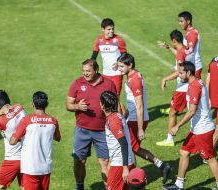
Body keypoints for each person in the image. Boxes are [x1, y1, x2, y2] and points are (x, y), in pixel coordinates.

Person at [163, 61, 218, 190]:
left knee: (210, 159)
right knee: (184, 152)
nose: (179, 76)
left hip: (202, 130)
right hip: (196, 129)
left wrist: (177, 126)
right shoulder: (196, 82)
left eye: (181, 73)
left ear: (188, 72)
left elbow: (192, 111)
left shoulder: (194, 87)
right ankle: (178, 185)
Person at [117, 53, 171, 184]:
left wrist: (140, 128)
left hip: (137, 119)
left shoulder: (134, 79)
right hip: (133, 117)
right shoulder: (132, 75)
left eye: (121, 66)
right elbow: (134, 103)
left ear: (130, 65)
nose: (119, 69)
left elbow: (139, 105)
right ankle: (162, 166)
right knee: (133, 148)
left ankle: (133, 178)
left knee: (129, 148)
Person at [66, 59, 116, 190]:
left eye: (88, 71)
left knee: (105, 161)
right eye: (83, 71)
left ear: (96, 70)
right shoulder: (77, 83)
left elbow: (115, 104)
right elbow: (68, 105)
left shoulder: (109, 84)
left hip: (103, 130)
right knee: (79, 160)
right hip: (82, 130)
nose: (85, 74)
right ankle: (79, 187)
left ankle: (109, 187)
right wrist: (77, 106)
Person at [10, 91, 61, 190]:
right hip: (45, 169)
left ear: (32, 104)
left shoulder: (26, 120)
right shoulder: (53, 121)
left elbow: (12, 141)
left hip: (30, 169)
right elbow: (58, 138)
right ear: (47, 104)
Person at [156, 29, 193, 147]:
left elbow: (179, 71)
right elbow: (179, 53)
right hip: (189, 84)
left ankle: (169, 139)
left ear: (174, 40)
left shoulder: (181, 53)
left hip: (183, 88)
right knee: (191, 110)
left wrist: (165, 79)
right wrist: (168, 47)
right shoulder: (186, 49)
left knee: (172, 113)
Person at [0, 90, 26, 190]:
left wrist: (0, 113)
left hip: (13, 159)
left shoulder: (2, 121)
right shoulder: (19, 107)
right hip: (27, 155)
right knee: (25, 186)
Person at [100, 91, 134, 190]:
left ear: (102, 105)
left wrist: (125, 168)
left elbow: (123, 143)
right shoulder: (117, 115)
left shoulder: (113, 120)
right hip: (123, 161)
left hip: (120, 164)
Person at [92, 18, 127, 96]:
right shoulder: (99, 40)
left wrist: (118, 63)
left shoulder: (119, 40)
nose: (111, 31)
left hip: (116, 74)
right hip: (105, 74)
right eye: (109, 29)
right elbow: (93, 57)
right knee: (106, 98)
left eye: (112, 29)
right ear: (103, 29)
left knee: (115, 98)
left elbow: (125, 56)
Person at [178, 11, 203, 78]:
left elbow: (190, 50)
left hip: (194, 68)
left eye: (181, 21)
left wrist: (179, 46)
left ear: (188, 21)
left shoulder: (192, 33)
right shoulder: (189, 32)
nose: (179, 23)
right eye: (179, 21)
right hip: (191, 67)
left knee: (195, 87)